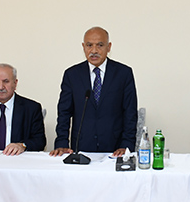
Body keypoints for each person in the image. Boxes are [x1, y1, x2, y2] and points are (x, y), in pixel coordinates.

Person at [50, 27, 138, 157]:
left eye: (100, 45)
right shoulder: (72, 74)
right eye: (89, 45)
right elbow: (64, 113)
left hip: (114, 149)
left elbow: (130, 113)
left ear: (109, 47)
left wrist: (126, 146)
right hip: (81, 148)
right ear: (83, 47)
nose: (94, 50)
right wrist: (62, 143)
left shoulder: (123, 73)